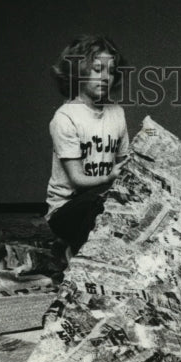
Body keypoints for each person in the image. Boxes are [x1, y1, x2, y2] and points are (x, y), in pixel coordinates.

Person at [45, 34, 131, 256]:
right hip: (67, 211)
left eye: (111, 71)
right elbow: (77, 179)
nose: (105, 77)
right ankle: (76, 253)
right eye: (97, 69)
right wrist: (109, 178)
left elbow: (125, 163)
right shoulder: (65, 117)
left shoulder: (117, 113)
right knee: (98, 199)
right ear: (79, 72)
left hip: (103, 201)